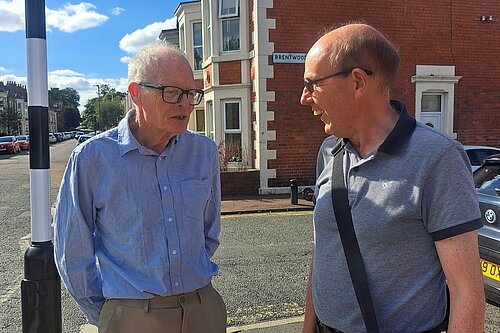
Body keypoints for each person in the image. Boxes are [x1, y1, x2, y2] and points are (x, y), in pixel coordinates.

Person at [299, 23, 485, 333]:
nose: (304, 98)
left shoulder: (437, 158)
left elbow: (466, 290)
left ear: (358, 81)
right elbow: (325, 248)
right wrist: (308, 326)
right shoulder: (330, 150)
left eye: (313, 84)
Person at [54, 41, 226, 333]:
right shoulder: (92, 158)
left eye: (190, 93)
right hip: (132, 317)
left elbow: (208, 234)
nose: (185, 104)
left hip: (202, 310)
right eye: (171, 92)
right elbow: (72, 254)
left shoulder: (203, 153)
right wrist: (112, 316)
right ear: (137, 94)